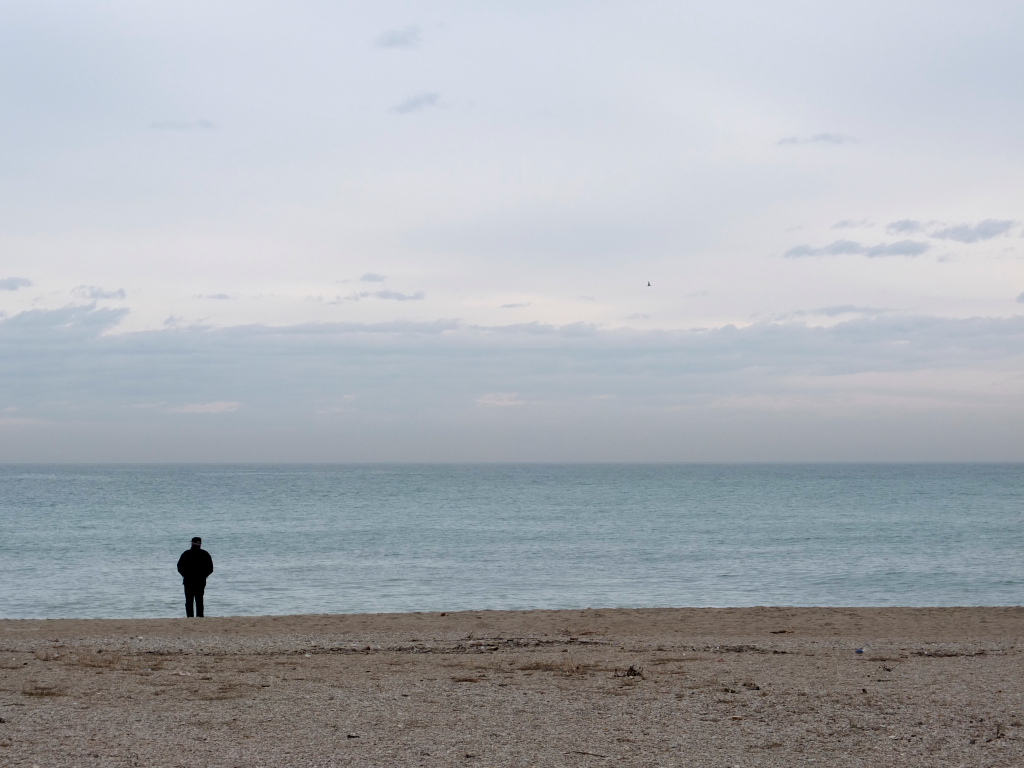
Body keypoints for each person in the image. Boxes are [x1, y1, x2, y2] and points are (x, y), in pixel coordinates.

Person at [176, 536, 214, 617]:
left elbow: (179, 567)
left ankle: (190, 617)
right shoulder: (205, 554)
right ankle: (200, 616)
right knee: (199, 600)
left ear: (192, 543)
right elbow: (210, 569)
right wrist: (204, 576)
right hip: (200, 581)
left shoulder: (186, 554)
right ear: (200, 544)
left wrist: (185, 575)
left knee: (189, 600)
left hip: (188, 580)